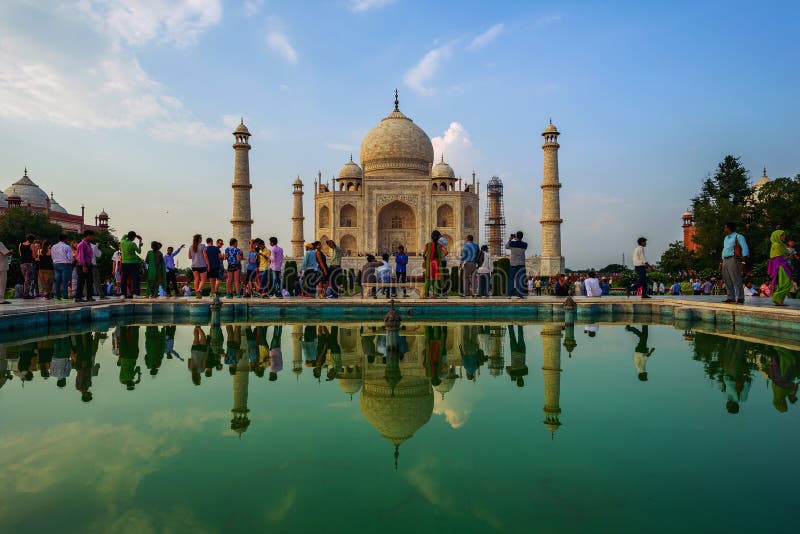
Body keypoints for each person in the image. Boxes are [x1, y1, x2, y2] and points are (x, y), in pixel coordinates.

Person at [720, 222, 749, 304]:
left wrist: (743, 261)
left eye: (725, 227)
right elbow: (725, 249)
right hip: (725, 259)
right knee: (727, 279)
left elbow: (745, 248)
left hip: (733, 259)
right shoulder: (726, 238)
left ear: (729, 228)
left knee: (736, 279)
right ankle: (730, 297)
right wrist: (722, 261)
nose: (724, 229)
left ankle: (740, 298)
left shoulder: (738, 236)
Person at [768, 229, 793, 306]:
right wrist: (789, 257)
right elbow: (778, 258)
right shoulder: (777, 245)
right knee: (787, 283)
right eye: (782, 235)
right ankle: (776, 298)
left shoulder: (780, 245)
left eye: (783, 235)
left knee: (784, 283)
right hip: (781, 267)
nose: (783, 236)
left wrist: (787, 257)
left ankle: (779, 300)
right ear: (777, 236)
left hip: (782, 266)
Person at [422, 230, 445, 299]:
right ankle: (435, 294)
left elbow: (423, 254)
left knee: (427, 279)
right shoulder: (439, 245)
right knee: (436, 279)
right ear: (438, 238)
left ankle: (426, 294)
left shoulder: (428, 245)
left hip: (430, 263)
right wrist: (440, 257)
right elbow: (446, 252)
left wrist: (425, 260)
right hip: (436, 263)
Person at [120, 231, 143, 299]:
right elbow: (139, 251)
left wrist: (134, 235)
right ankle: (136, 294)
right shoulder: (132, 244)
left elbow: (124, 235)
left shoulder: (122, 242)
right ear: (133, 237)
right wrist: (140, 243)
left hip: (124, 263)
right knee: (135, 279)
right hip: (133, 263)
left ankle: (123, 294)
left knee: (124, 279)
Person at [50, 235, 73, 301]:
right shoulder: (67, 246)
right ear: (65, 239)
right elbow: (70, 257)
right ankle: (65, 296)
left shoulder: (53, 246)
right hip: (65, 264)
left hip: (56, 264)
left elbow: (52, 256)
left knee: (57, 281)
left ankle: (57, 296)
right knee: (65, 281)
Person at [74, 230, 96, 302]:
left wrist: (90, 263)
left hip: (88, 264)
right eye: (92, 236)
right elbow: (81, 256)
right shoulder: (81, 244)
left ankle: (89, 297)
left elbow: (89, 255)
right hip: (82, 265)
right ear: (88, 236)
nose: (93, 237)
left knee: (89, 281)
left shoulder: (88, 244)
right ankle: (78, 297)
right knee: (81, 281)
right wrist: (84, 266)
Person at [506, 231, 528, 298]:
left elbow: (506, 246)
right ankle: (519, 294)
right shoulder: (525, 244)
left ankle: (509, 294)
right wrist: (517, 239)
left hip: (513, 264)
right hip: (521, 264)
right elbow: (520, 244)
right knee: (520, 279)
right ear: (522, 236)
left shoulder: (512, 243)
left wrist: (510, 239)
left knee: (511, 279)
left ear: (516, 236)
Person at [0, 240, 12, 304]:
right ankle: (1, 299)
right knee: (2, 283)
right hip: (2, 266)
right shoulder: (0, 243)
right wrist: (11, 251)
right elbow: (7, 253)